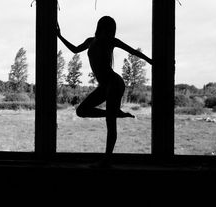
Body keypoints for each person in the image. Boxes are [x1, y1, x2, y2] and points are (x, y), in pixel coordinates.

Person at [57, 16, 153, 165]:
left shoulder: (111, 41)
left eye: (111, 31)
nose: (110, 33)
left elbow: (133, 51)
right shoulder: (90, 41)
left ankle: (107, 160)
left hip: (114, 83)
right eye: (108, 29)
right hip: (104, 85)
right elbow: (75, 50)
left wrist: (152, 61)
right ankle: (114, 113)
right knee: (81, 111)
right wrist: (59, 35)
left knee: (110, 123)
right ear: (101, 28)